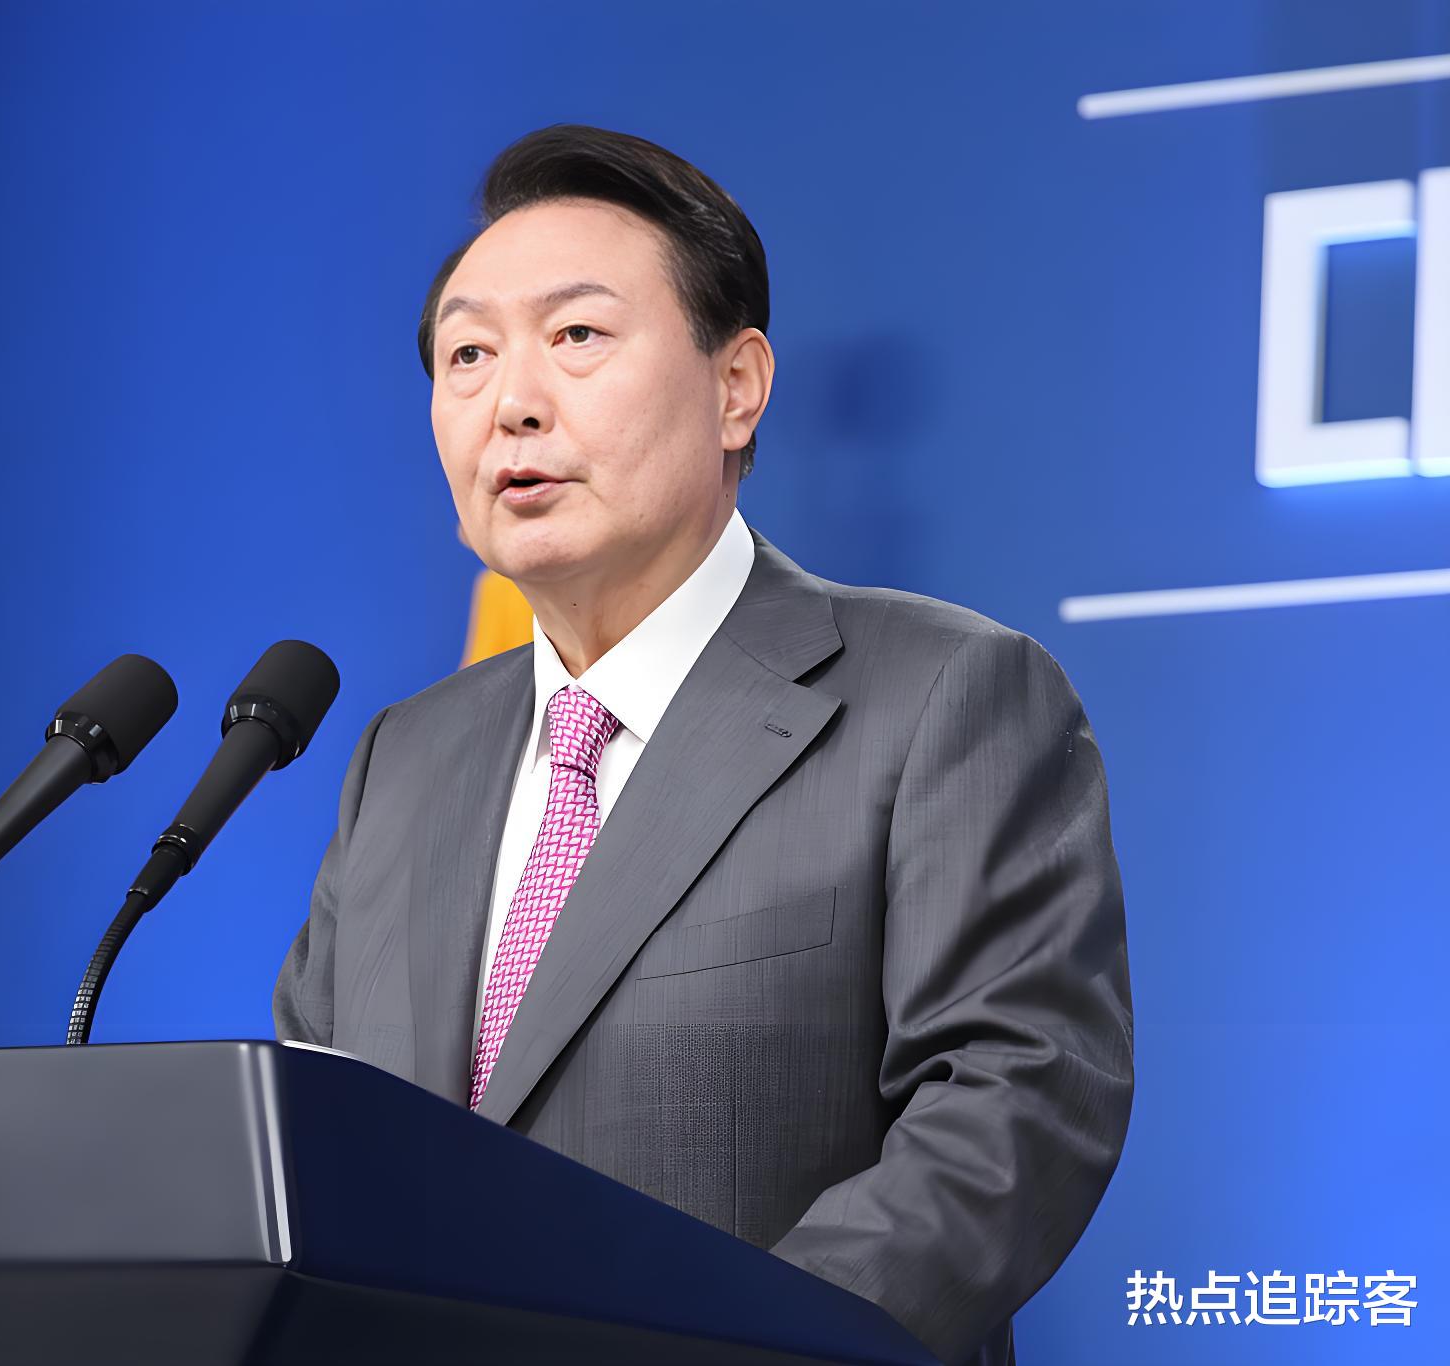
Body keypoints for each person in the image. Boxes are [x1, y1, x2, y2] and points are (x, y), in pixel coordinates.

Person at [273, 123, 1133, 1366]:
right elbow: (313, 1144)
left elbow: (1012, 1104)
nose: (511, 403)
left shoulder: (941, 694)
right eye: (467, 354)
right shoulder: (401, 760)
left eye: (576, 335)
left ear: (736, 387)